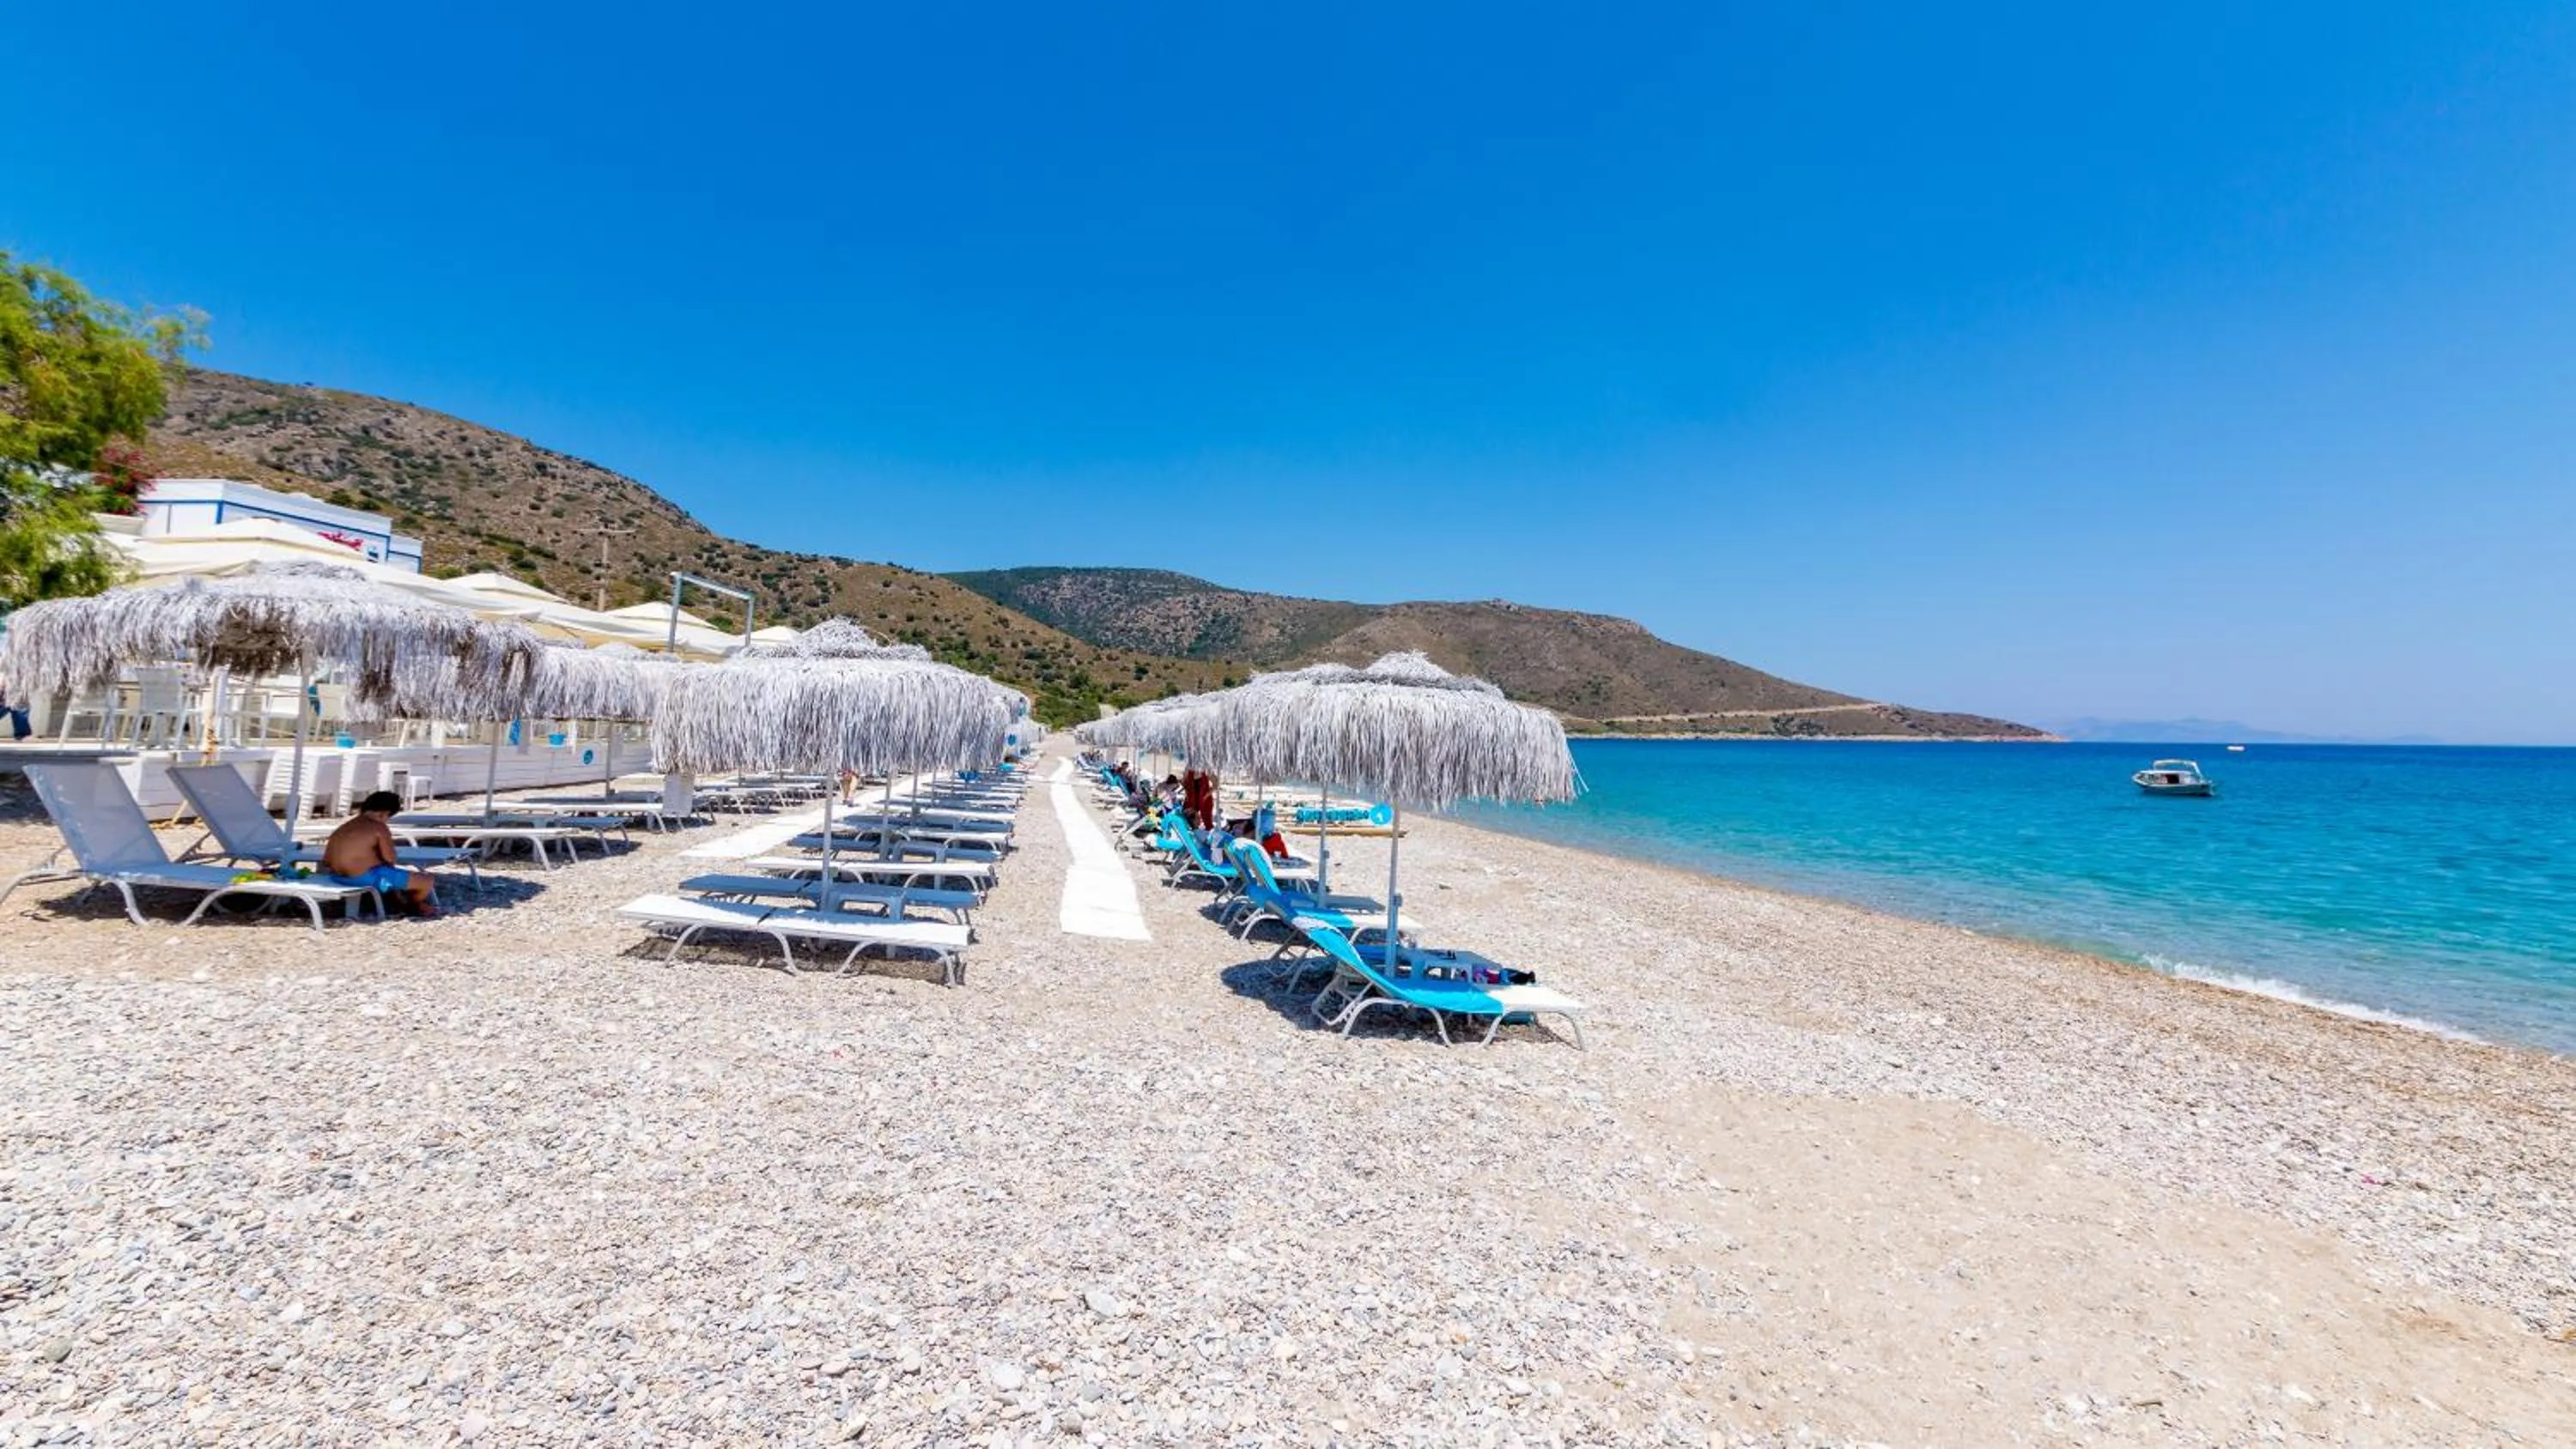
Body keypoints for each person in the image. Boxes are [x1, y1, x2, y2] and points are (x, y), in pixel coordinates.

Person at [320, 791, 440, 918]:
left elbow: (326, 860)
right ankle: (412, 906)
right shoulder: (379, 828)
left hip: (336, 877)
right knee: (427, 880)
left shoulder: (344, 827)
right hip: (361, 878)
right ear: (385, 814)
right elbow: (390, 858)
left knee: (387, 877)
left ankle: (399, 900)